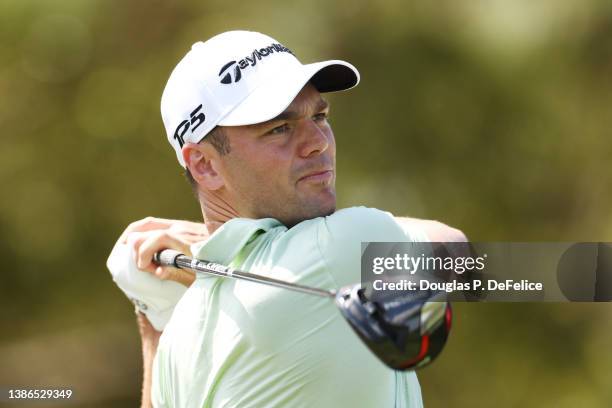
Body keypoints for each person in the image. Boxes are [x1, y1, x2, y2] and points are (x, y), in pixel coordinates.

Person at [115, 30, 466, 407]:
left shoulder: (178, 341)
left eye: (320, 115)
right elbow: (461, 256)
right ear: (204, 164)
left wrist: (155, 315)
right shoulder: (339, 246)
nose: (318, 141)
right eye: (278, 129)